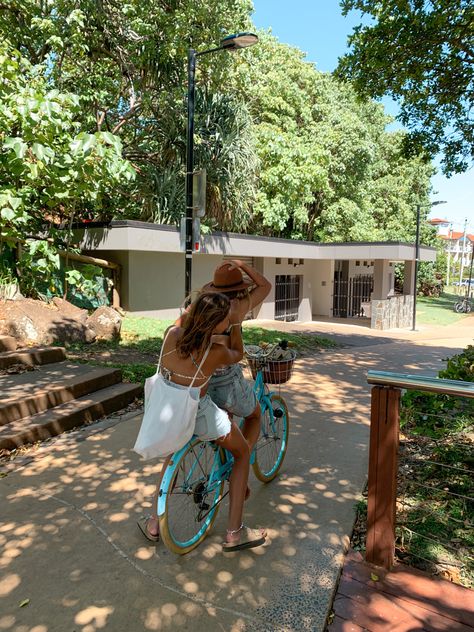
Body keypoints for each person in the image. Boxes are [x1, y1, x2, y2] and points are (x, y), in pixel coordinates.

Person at [138, 291, 267, 552]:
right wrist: (236, 322)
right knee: (242, 452)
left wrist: (200, 304)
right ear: (219, 323)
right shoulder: (215, 351)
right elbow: (238, 352)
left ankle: (153, 523)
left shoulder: (170, 335)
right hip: (197, 413)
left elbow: (183, 321)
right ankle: (235, 533)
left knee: (173, 452)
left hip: (168, 410)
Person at [178, 260, 272, 458]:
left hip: (202, 379)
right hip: (227, 381)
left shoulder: (202, 306)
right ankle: (241, 460)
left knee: (225, 423)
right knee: (254, 415)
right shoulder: (239, 305)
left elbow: (175, 328)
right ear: (240, 288)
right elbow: (265, 286)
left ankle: (224, 461)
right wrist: (242, 265)